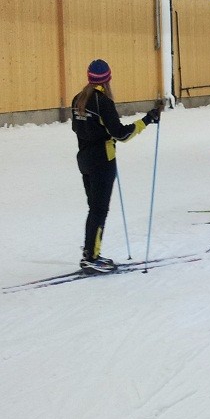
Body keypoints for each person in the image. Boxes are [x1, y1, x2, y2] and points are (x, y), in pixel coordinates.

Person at [70, 59, 161, 272]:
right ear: (107, 79)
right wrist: (147, 120)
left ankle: (90, 251)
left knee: (94, 208)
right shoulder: (103, 102)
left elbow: (77, 128)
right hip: (102, 161)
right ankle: (91, 257)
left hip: (84, 159)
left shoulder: (78, 99)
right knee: (99, 209)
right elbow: (121, 134)